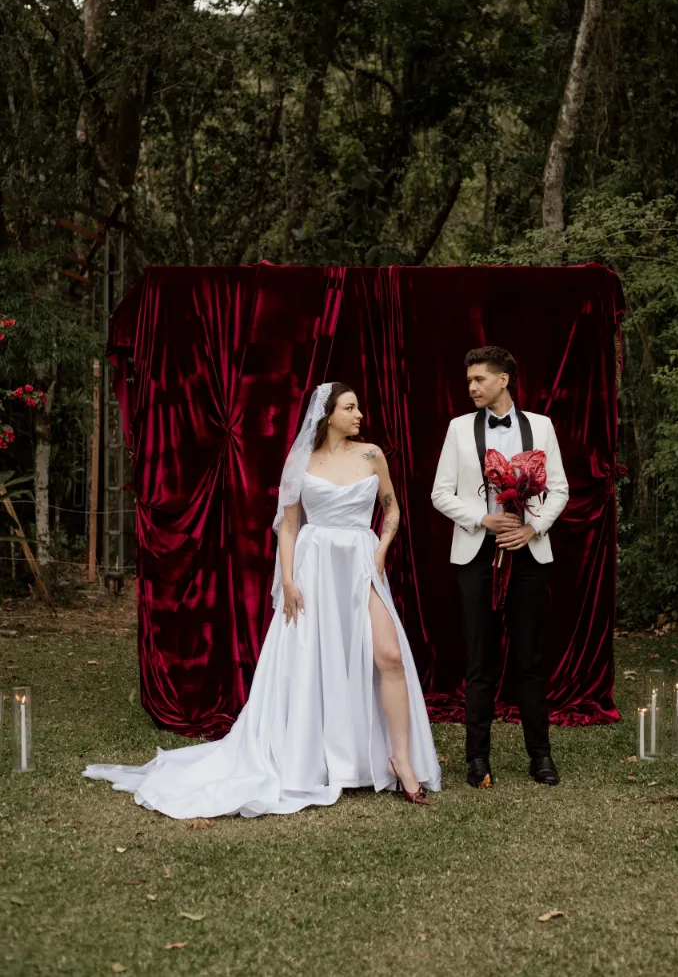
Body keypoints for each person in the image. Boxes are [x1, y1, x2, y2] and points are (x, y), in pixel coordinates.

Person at [83, 382, 440, 816]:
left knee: (388, 656)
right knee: (316, 660)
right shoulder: (300, 462)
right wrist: (288, 580)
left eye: (358, 408)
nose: (359, 414)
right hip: (315, 567)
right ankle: (322, 757)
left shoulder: (372, 455)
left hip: (362, 562)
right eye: (350, 408)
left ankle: (400, 760)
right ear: (327, 415)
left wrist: (381, 548)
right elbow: (288, 526)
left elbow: (393, 508)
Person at [431, 346, 569, 789]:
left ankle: (541, 758)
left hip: (529, 557)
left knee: (529, 660)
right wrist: (481, 519)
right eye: (468, 380)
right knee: (479, 662)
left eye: (479, 379)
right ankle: (477, 761)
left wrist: (533, 529)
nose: (471, 387)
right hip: (477, 557)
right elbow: (440, 492)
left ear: (504, 379)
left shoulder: (541, 426)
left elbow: (561, 489)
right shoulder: (457, 429)